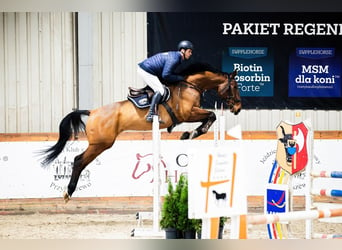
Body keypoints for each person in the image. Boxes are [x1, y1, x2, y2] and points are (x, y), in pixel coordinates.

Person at [137, 40, 194, 122]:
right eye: (189, 51)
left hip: (149, 69)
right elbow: (166, 75)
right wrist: (180, 78)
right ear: (183, 51)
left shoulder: (176, 56)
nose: (190, 54)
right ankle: (151, 114)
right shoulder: (175, 58)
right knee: (161, 91)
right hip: (146, 71)